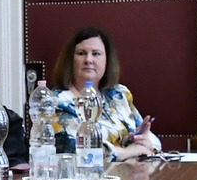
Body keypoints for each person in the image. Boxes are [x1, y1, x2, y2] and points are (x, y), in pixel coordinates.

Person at [49, 25, 162, 159]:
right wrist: (127, 152)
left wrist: (146, 142)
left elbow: (152, 140)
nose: (88, 60)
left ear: (107, 60)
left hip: (132, 170)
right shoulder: (58, 101)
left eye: (96, 54)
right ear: (70, 60)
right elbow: (77, 149)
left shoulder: (119, 95)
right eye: (81, 53)